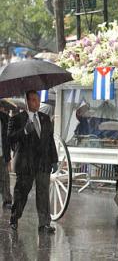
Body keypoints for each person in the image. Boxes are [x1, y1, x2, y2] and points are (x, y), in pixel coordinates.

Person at [8, 90, 58, 233]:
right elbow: (10, 138)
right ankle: (14, 218)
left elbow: (50, 141)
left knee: (43, 194)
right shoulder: (17, 119)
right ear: (27, 102)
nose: (37, 103)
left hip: (43, 163)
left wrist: (53, 160)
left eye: (38, 99)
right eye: (34, 100)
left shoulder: (45, 118)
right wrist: (24, 131)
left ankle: (44, 224)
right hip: (25, 164)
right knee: (21, 193)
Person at [0, 104, 12, 209]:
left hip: (2, 152)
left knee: (5, 177)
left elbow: (9, 137)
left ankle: (7, 199)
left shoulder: (5, 118)